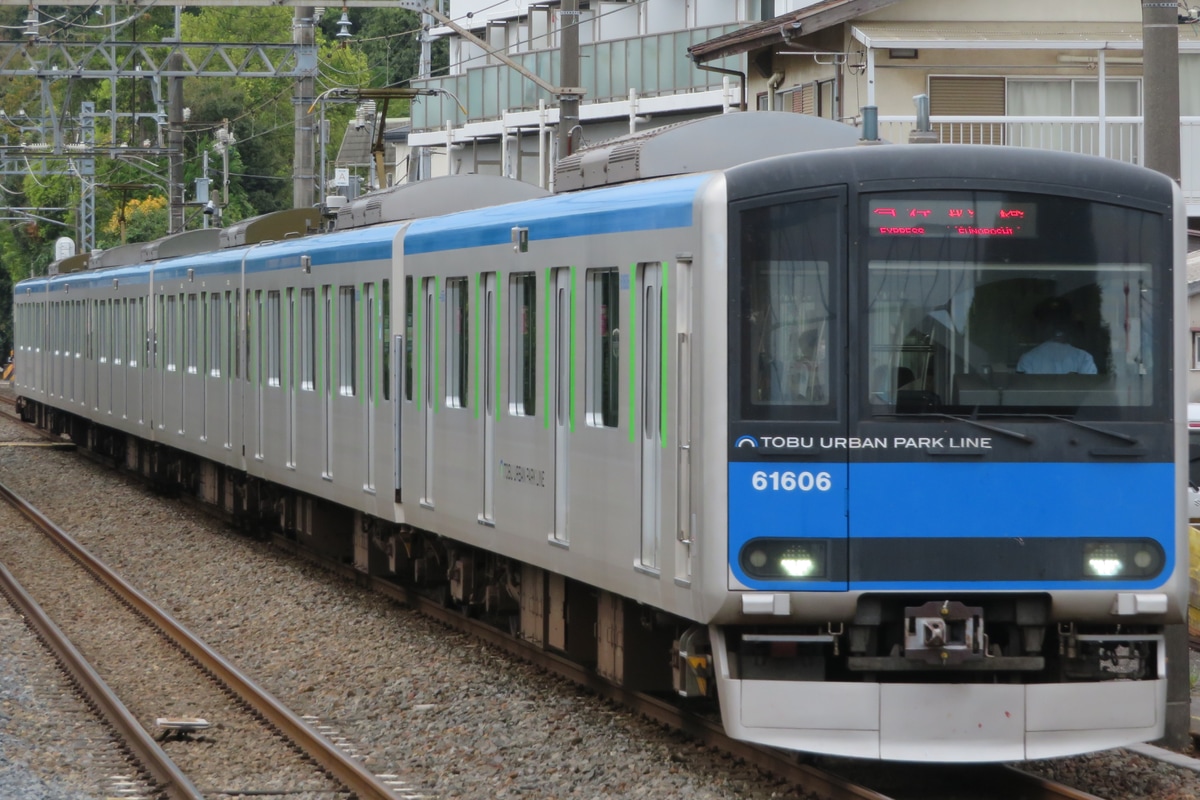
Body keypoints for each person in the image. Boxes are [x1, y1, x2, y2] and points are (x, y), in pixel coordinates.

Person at [1016, 299, 1097, 375]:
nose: (1056, 326)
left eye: (1060, 320)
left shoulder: (1084, 359)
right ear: (1041, 326)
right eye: (1050, 321)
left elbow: (1091, 388)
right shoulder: (1028, 360)